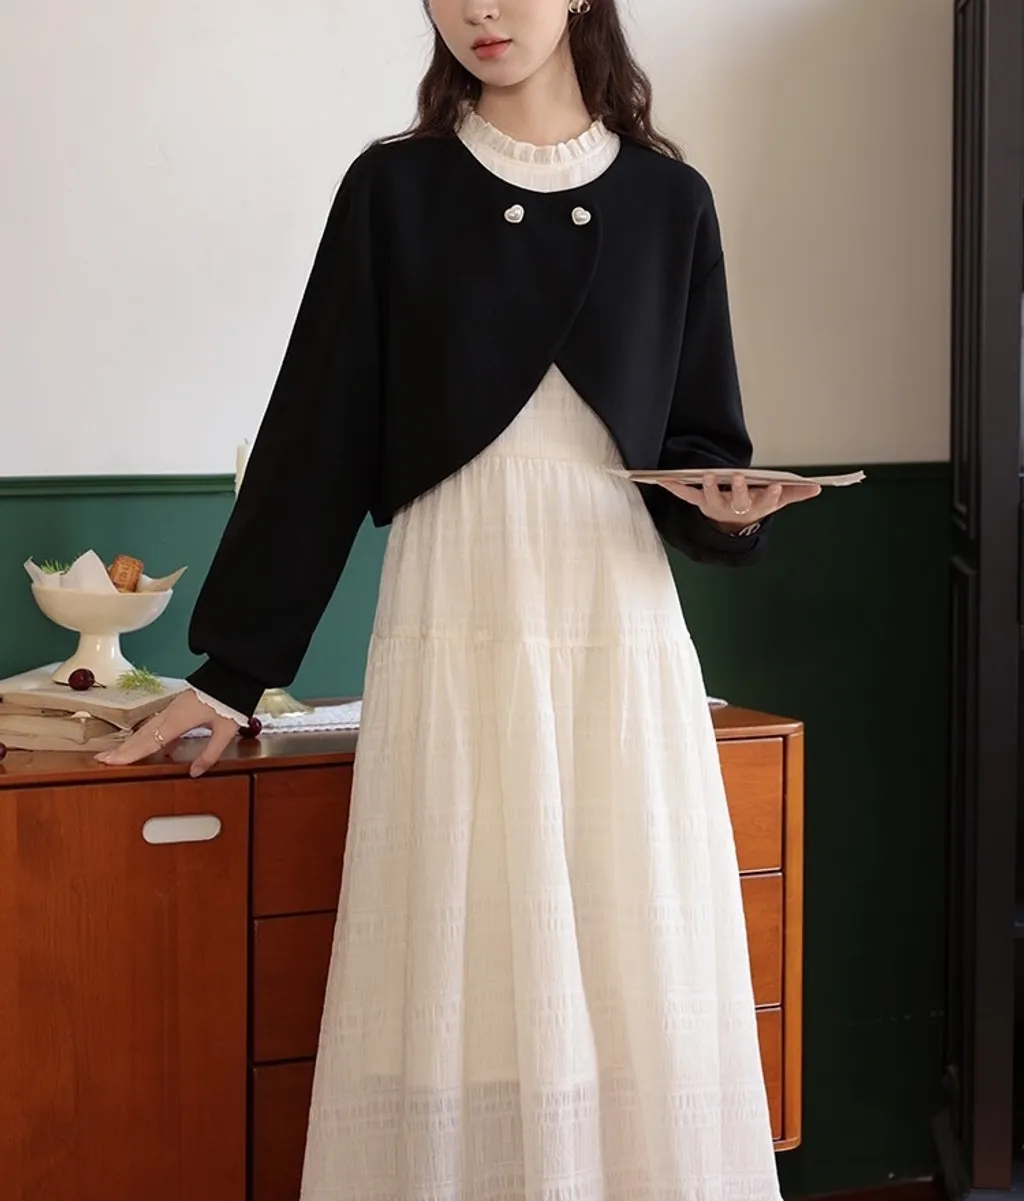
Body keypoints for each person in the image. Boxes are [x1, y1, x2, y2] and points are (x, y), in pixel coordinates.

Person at [100, 1, 821, 1196]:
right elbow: (317, 439)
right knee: (465, 960)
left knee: (630, 963)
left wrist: (732, 512)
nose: (480, 9)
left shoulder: (669, 203)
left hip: (615, 631)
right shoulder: (396, 192)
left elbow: (702, 444)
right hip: (457, 613)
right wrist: (226, 677)